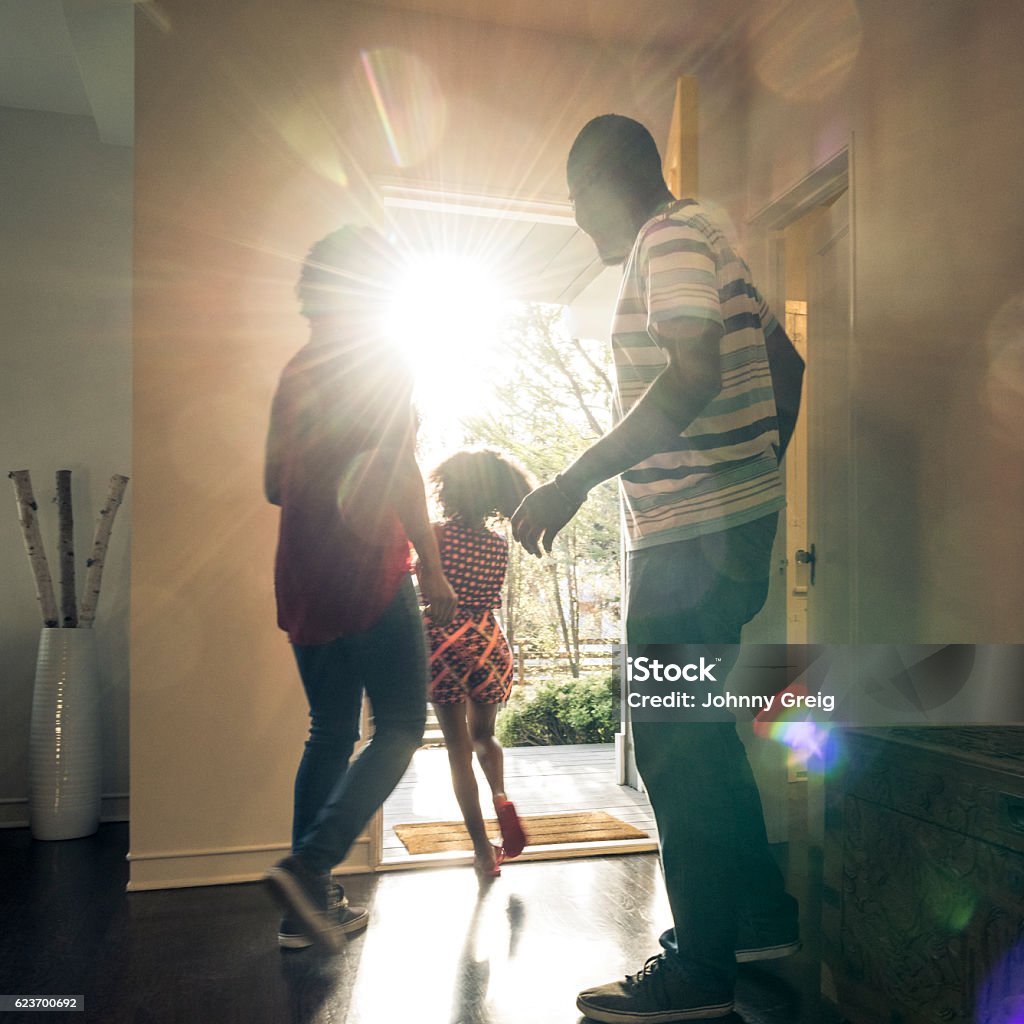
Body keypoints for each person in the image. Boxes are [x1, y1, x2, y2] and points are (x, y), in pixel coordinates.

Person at [511, 115, 806, 1022]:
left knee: (676, 748)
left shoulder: (668, 238)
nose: (579, 221)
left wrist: (569, 481)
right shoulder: (711, 240)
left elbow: (692, 373)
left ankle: (699, 973)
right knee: (702, 733)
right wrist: (758, 479)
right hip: (722, 530)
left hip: (690, 543)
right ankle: (755, 917)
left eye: (575, 200)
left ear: (603, 183)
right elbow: (786, 365)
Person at [263, 226, 457, 953]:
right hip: (368, 568)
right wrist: (432, 566)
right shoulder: (381, 356)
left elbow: (270, 484)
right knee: (404, 723)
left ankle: (303, 910)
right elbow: (401, 466)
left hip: (302, 575)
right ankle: (310, 865)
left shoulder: (297, 369)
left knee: (331, 731)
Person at [424, 449, 533, 880]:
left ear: (446, 489)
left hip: (443, 642)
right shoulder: (497, 545)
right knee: (485, 736)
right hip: (489, 643)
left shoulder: (434, 535)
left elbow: (420, 580)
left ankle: (482, 851)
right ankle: (501, 795)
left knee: (458, 752)